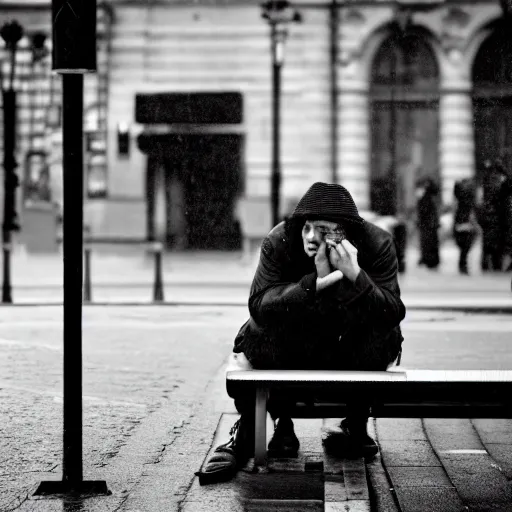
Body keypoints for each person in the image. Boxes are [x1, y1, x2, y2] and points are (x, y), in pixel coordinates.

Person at [196, 182, 406, 485]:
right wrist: (313, 284)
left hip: (349, 342)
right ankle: (253, 428)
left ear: (343, 232)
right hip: (296, 341)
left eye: (321, 229)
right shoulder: (280, 239)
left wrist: (355, 276)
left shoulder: (377, 243)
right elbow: (259, 305)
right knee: (256, 332)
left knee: (381, 335)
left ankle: (355, 425)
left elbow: (392, 313)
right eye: (306, 227)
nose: (309, 236)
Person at [477, 160, 508, 271]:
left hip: (490, 217)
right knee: (495, 244)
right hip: (495, 218)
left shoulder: (486, 182)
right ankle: (494, 265)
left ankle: (487, 265)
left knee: (488, 244)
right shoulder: (496, 183)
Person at [452, 177, 478, 275]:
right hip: (462, 222)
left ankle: (463, 265)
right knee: (464, 246)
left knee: (466, 246)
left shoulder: (468, 196)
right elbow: (457, 190)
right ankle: (463, 265)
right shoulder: (462, 197)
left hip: (466, 222)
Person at [415, 177, 440, 269]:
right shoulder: (425, 198)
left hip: (428, 225)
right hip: (428, 225)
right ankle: (428, 259)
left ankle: (429, 260)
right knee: (427, 242)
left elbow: (425, 212)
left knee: (428, 242)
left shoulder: (426, 198)